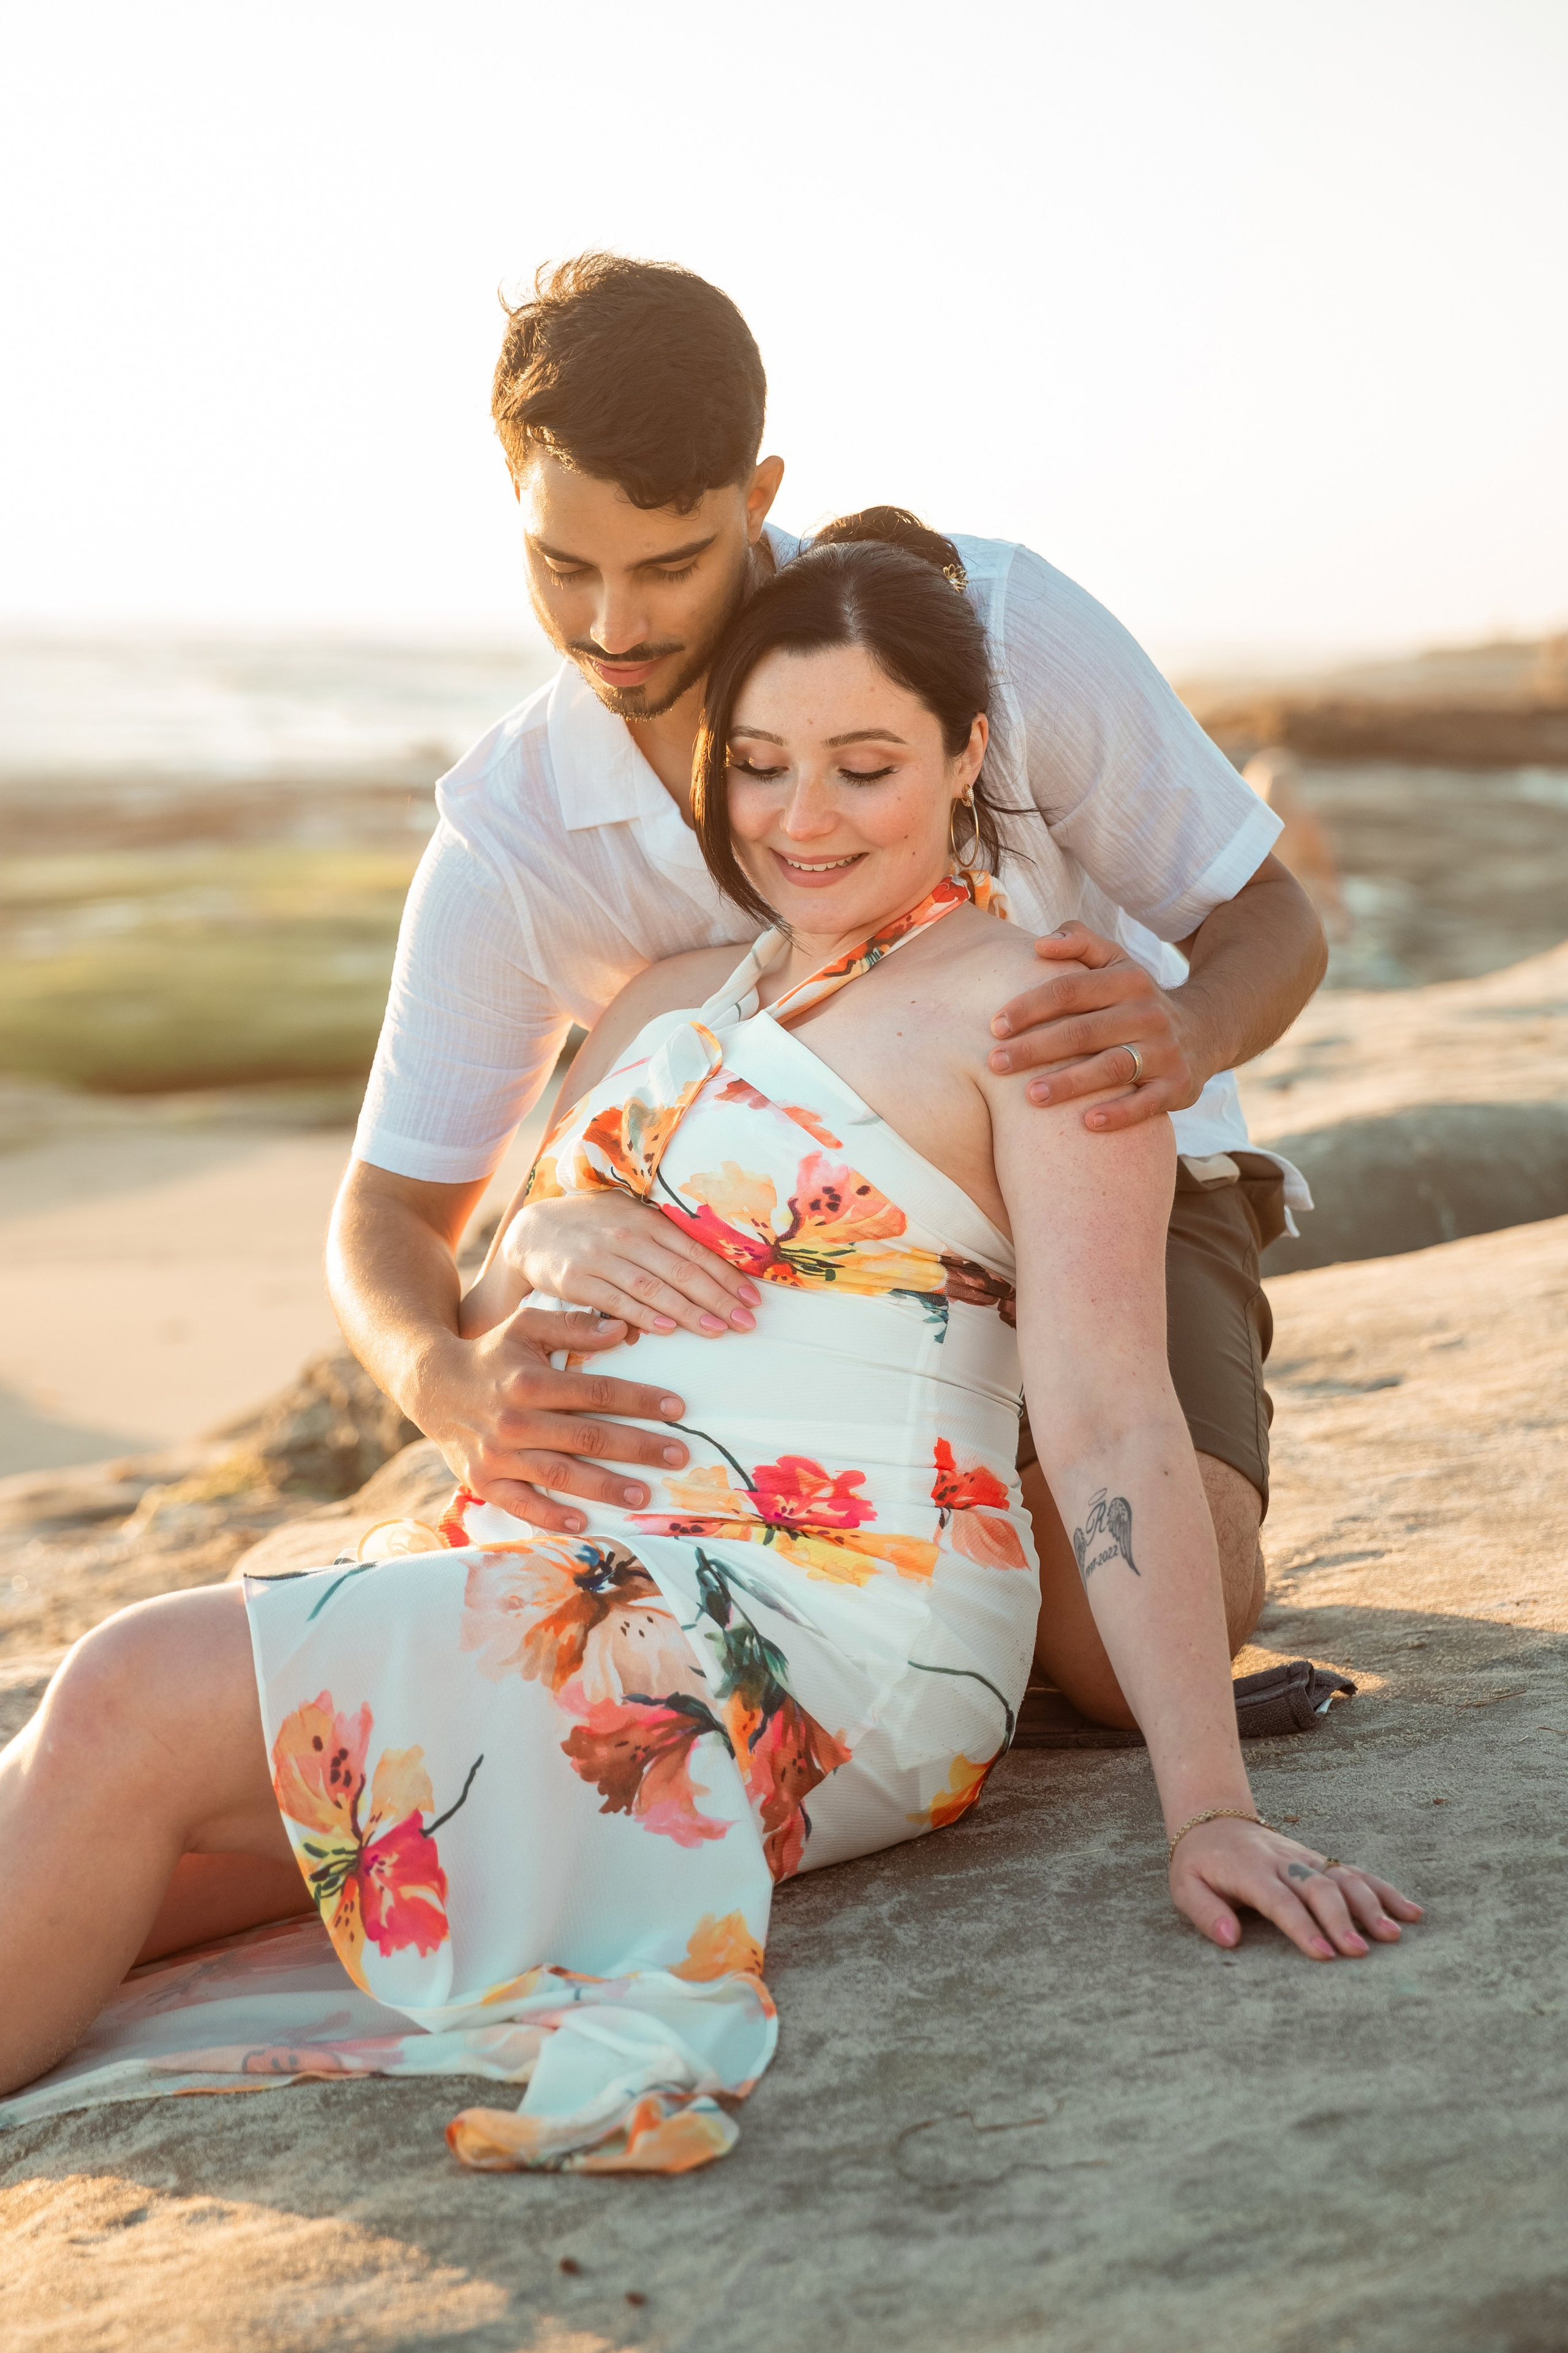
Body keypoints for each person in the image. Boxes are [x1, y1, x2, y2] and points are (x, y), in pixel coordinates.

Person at [0, 527, 1419, 2171]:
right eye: (759, 766)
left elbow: (1107, 1412)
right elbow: (485, 1287)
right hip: (567, 1565)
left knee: (124, 1692)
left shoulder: (1031, 1014)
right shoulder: (672, 993)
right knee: (115, 1823)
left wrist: (1211, 1805)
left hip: (810, 1625)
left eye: (864, 767)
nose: (802, 818)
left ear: (967, 753)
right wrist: (548, 1235)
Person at [329, 254, 1327, 1731]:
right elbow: (388, 1214)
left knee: (1119, 1658)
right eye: (562, 566)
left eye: (668, 564)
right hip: (771, 1265)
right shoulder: (513, 835)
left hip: (1099, 1182)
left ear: (756, 493)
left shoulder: (992, 625)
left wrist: (1184, 1029)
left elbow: (1266, 913)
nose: (613, 624)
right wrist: (444, 1378)